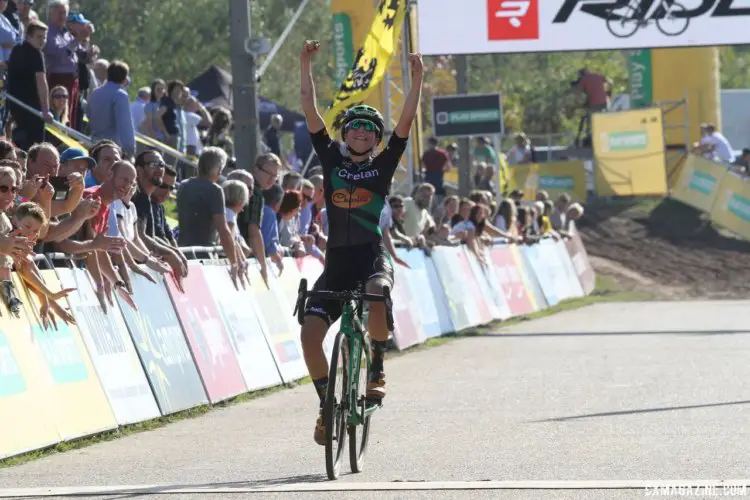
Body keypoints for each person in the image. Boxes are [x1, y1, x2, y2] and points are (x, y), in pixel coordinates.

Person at [298, 39, 423, 445]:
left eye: (371, 129)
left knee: (375, 292)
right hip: (336, 263)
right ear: (346, 133)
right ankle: (324, 406)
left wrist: (417, 79)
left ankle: (377, 368)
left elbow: (405, 125)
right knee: (310, 333)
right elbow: (309, 110)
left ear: (376, 139)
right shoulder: (330, 159)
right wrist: (305, 65)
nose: (363, 133)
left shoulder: (384, 165)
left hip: (371, 258)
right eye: (356, 127)